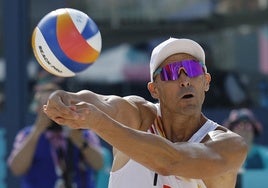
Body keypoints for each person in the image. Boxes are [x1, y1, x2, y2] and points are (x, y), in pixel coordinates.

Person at [43, 37, 248, 188]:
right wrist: (67, 99)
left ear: (206, 81)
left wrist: (98, 122)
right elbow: (102, 102)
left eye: (193, 69)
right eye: (171, 72)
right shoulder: (139, 116)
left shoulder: (229, 145)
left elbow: (171, 161)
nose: (185, 80)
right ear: (154, 89)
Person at [7, 83, 104, 188]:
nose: (51, 113)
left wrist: (79, 140)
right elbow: (16, 169)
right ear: (38, 109)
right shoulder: (26, 134)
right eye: (46, 108)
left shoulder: (83, 132)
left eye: (55, 107)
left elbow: (99, 164)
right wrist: (36, 132)